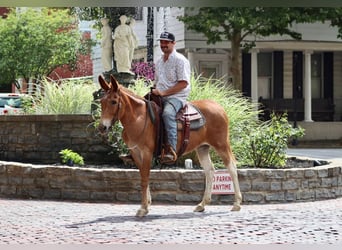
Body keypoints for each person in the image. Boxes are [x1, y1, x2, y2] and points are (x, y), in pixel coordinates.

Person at [152, 31, 191, 163]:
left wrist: (163, 93)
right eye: (161, 42)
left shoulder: (180, 60)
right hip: (160, 96)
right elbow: (157, 82)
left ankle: (171, 150)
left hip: (176, 97)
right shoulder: (159, 62)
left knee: (167, 114)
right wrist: (155, 90)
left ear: (173, 43)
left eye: (166, 42)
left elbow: (183, 83)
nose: (163, 45)